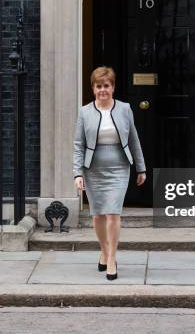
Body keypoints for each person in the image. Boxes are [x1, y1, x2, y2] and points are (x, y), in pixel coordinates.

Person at [73, 66, 146, 281]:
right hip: (93, 169)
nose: (102, 90)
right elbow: (79, 144)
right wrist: (77, 173)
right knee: (97, 215)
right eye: (98, 86)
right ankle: (104, 251)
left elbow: (133, 139)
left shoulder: (125, 109)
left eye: (106, 86)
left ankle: (112, 258)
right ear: (93, 88)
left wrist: (141, 167)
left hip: (119, 167)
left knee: (113, 213)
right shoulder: (84, 112)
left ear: (113, 87)